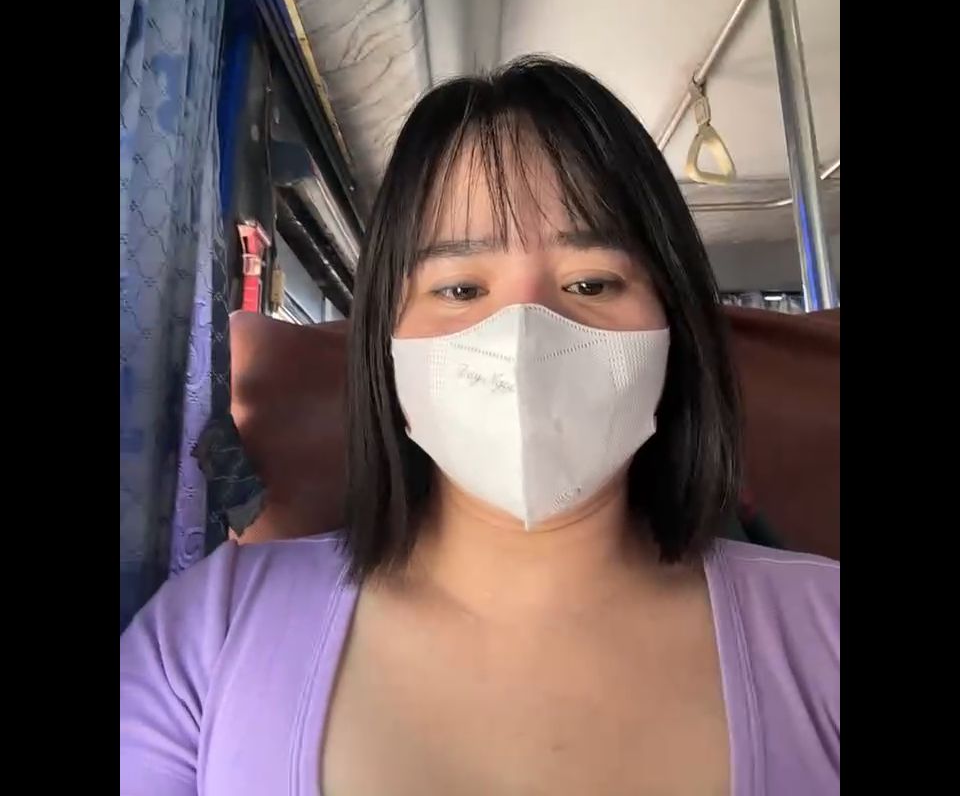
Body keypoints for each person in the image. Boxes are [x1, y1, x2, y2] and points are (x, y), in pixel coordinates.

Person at [120, 57, 839, 795]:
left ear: (674, 331)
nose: (524, 334)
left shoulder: (825, 633)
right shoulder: (209, 638)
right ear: (387, 346)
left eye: (591, 283)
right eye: (461, 289)